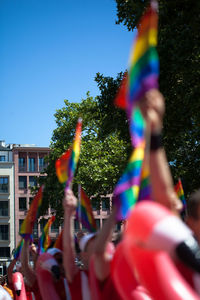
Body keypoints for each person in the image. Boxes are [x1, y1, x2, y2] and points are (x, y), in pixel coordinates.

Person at [63, 189, 92, 300]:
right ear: (83, 255)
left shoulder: (109, 277)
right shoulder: (78, 278)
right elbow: (68, 249)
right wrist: (69, 213)